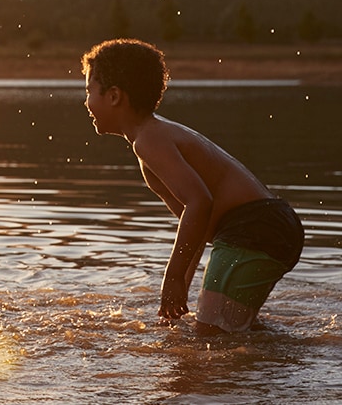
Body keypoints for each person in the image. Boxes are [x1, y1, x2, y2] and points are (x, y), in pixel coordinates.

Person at [81, 38, 303, 333]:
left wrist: (172, 276)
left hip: (252, 230)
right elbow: (197, 226)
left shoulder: (149, 139)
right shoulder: (154, 136)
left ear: (114, 96)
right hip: (270, 226)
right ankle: (278, 360)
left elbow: (199, 201)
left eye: (88, 92)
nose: (86, 102)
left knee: (211, 335)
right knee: (229, 329)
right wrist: (180, 291)